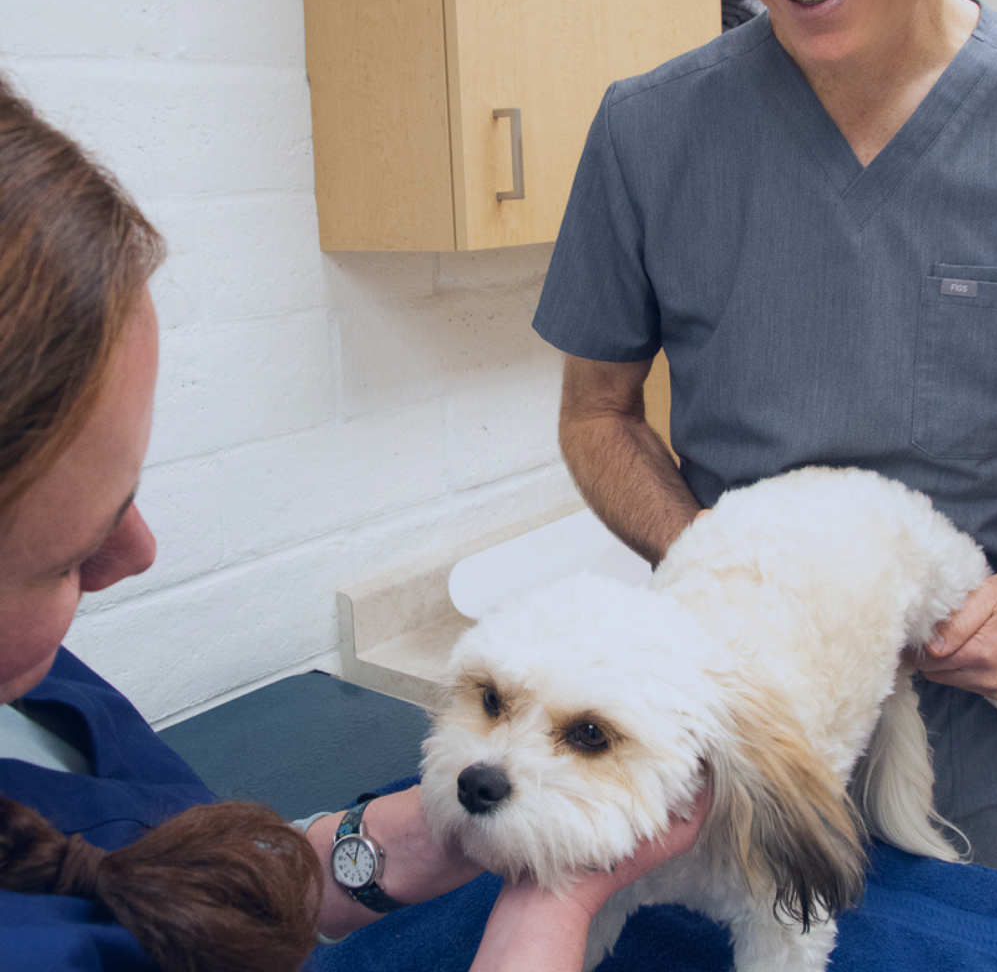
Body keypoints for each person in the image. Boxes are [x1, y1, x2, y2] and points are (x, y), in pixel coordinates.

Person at [0, 79, 708, 971]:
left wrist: (409, 832)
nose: (139, 553)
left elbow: (179, 883)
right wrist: (559, 904)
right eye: (63, 560)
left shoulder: (38, 693)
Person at [532, 0, 997, 886]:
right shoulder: (648, 134)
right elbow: (596, 414)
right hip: (736, 733)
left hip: (986, 753)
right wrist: (738, 588)